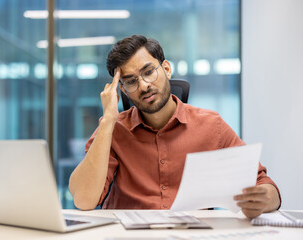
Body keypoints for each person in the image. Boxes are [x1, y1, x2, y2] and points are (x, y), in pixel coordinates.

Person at [69, 35, 281, 218]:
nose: (143, 85)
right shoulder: (114, 129)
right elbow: (84, 200)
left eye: (149, 71)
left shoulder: (211, 125)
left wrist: (263, 199)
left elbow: (264, 183)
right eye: (131, 81)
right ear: (122, 90)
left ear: (167, 69)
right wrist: (108, 120)